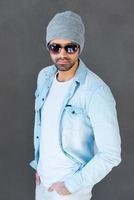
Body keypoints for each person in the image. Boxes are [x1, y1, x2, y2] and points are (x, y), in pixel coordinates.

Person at [30, 11, 121, 200]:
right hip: (43, 185)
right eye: (55, 47)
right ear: (48, 47)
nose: (62, 54)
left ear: (79, 47)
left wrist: (70, 186)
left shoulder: (96, 92)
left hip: (70, 192)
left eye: (70, 48)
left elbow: (111, 154)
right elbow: (44, 128)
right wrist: (40, 166)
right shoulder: (44, 77)